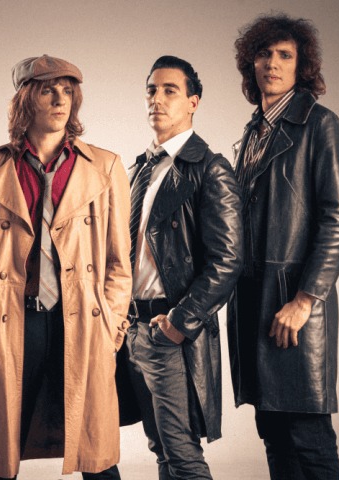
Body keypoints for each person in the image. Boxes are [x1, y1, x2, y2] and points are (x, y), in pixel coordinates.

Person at [0, 55, 132, 480]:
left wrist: (112, 325)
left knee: (96, 452)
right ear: (26, 99)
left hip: (85, 321)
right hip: (14, 319)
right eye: (47, 90)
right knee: (2, 456)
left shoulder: (106, 166)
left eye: (67, 91)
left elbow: (119, 262)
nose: (60, 99)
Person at [229, 13, 339, 479]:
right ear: (251, 64)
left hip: (293, 303)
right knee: (273, 430)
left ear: (301, 66)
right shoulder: (253, 132)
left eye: (285, 55)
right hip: (254, 302)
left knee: (307, 434)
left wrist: (305, 300)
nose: (273, 63)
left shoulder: (319, 123)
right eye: (264, 54)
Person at [123, 55, 243, 479]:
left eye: (170, 91)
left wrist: (179, 322)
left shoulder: (210, 169)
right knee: (162, 450)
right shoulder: (139, 169)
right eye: (151, 90)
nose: (157, 99)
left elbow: (227, 261)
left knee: (181, 452)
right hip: (132, 329)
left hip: (170, 330)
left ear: (193, 102)